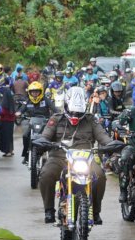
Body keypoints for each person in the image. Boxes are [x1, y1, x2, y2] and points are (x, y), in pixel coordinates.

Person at [38, 87, 116, 224]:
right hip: (59, 157)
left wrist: (111, 144)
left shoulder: (91, 120)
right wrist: (42, 142)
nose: (75, 114)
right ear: (66, 106)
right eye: (72, 111)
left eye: (78, 112)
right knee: (46, 174)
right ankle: (49, 210)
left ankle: (96, 212)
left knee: (100, 176)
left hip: (85, 158)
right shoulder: (56, 119)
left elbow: (103, 137)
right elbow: (45, 135)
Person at [16, 81, 55, 164]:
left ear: (40, 92)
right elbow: (22, 109)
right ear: (30, 92)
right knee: (25, 136)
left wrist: (57, 114)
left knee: (53, 137)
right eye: (33, 92)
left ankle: (53, 156)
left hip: (45, 123)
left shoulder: (45, 100)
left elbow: (54, 108)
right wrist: (19, 113)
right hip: (32, 123)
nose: (34, 94)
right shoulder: (28, 101)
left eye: (36, 91)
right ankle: (26, 155)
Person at [0, 84, 15, 157]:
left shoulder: (5, 103)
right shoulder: (10, 100)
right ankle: (10, 150)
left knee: (6, 137)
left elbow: (2, 112)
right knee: (9, 136)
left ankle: (8, 151)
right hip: (10, 121)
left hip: (6, 121)